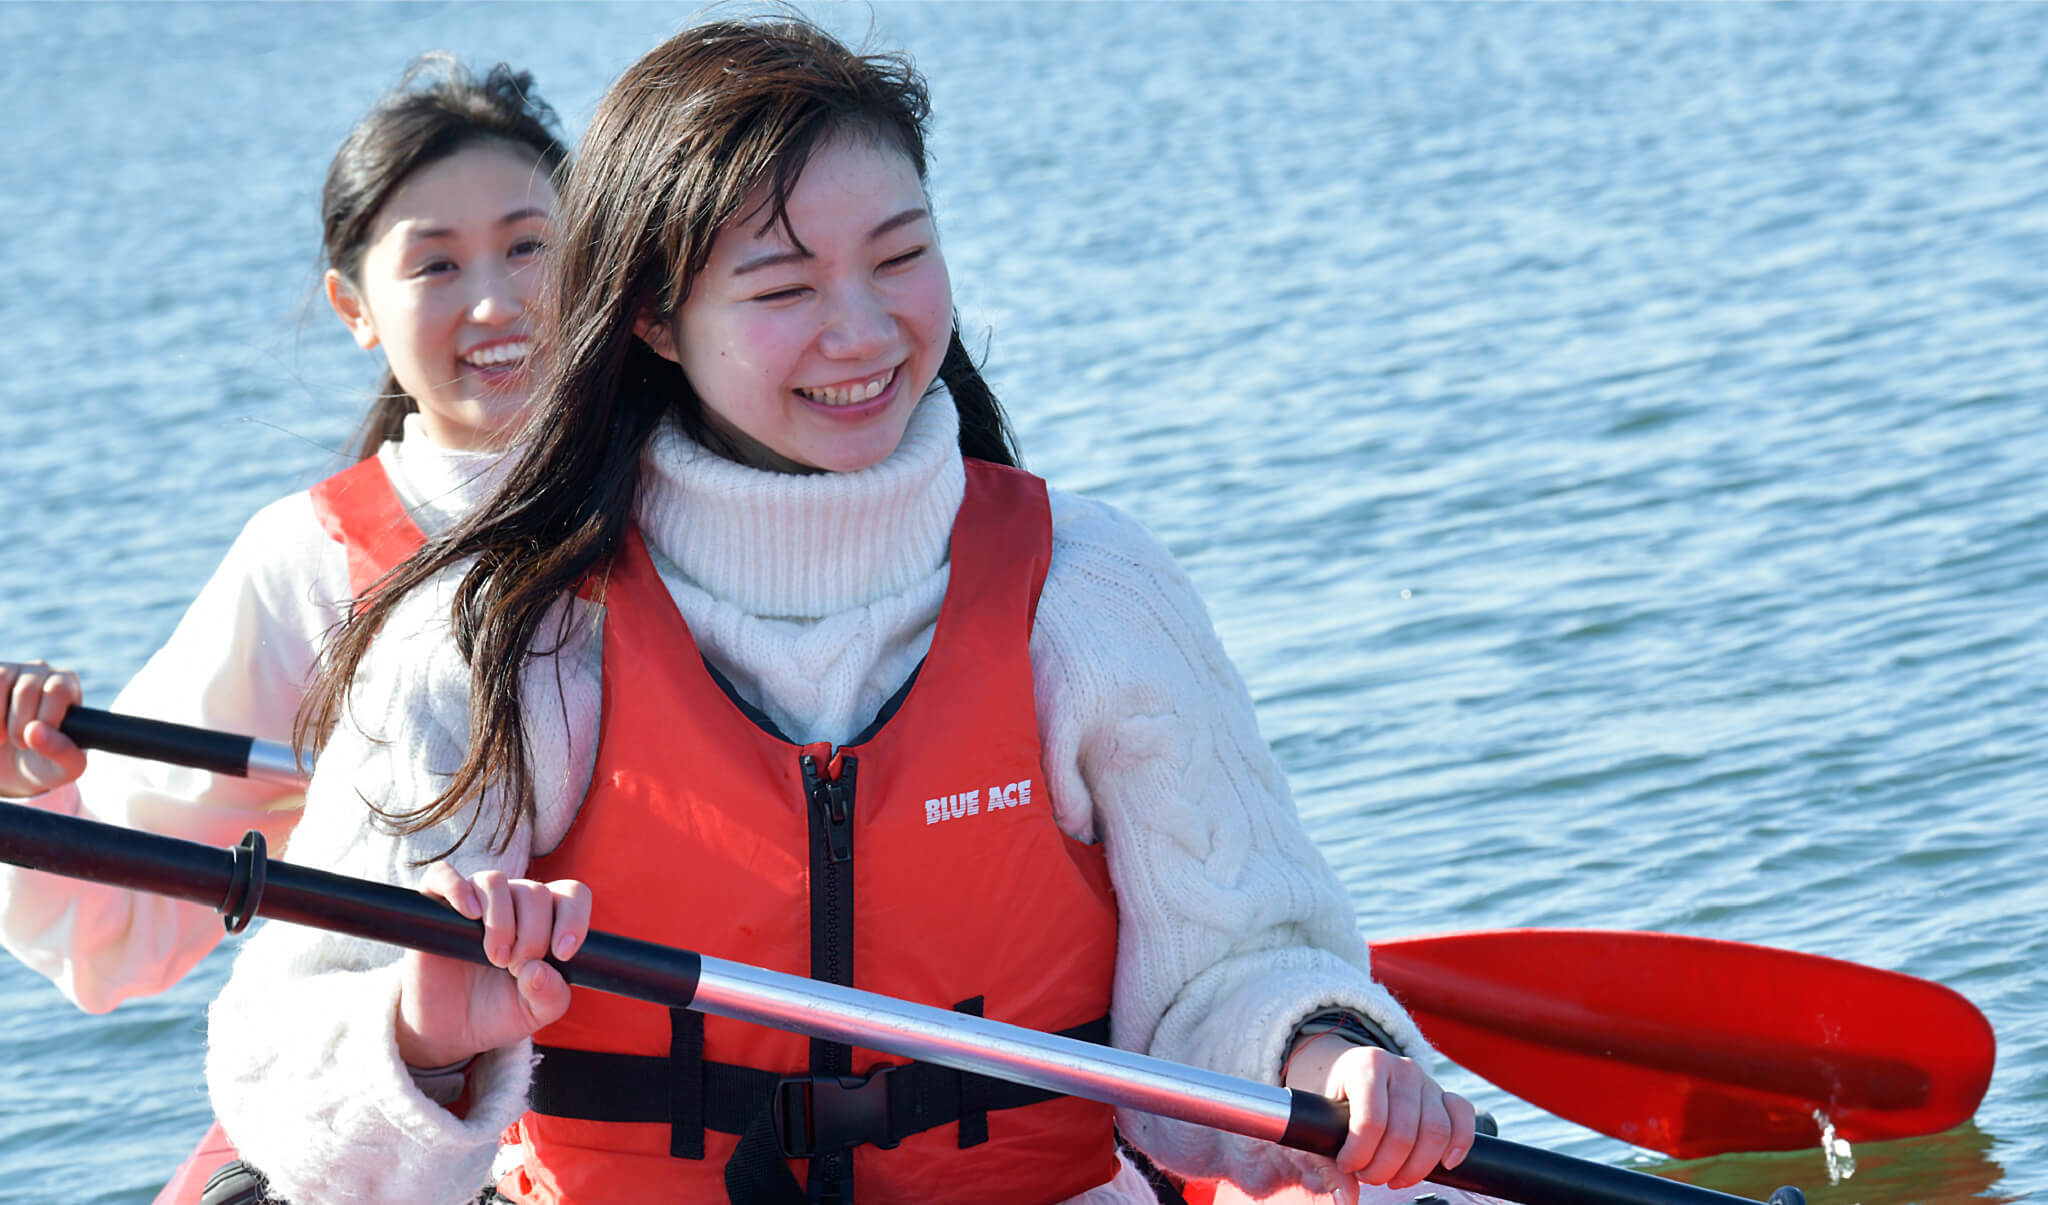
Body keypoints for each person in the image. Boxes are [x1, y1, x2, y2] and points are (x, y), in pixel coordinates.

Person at [203, 17, 1479, 1205]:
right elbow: (285, 1082)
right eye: (781, 288)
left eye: (900, 256)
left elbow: (1234, 969)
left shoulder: (1090, 593)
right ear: (650, 317)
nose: (862, 331)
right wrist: (423, 1033)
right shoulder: (491, 635)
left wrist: (1321, 1055)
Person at [0, 53, 567, 1205]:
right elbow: (116, 936)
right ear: (354, 309)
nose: (496, 302)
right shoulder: (308, 560)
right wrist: (34, 786)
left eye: (527, 245)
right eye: (436, 265)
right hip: (447, 1136)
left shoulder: (711, 490)